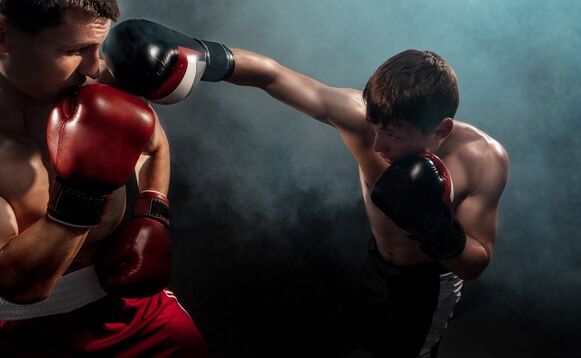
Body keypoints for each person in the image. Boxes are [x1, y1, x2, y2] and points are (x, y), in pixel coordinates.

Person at [103, 19, 510, 357]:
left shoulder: (483, 160)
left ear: (441, 130)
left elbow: (475, 264)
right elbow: (272, 75)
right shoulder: (362, 120)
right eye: (376, 127)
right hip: (376, 267)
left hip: (427, 286)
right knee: (362, 339)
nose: (377, 144)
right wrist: (199, 53)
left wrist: (436, 227)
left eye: (394, 135)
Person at [0, 0, 208, 357]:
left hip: (138, 314)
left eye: (97, 46)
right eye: (74, 50)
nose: (94, 67)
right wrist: (82, 196)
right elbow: (21, 285)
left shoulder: (92, 86)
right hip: (27, 335)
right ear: (3, 36)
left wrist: (153, 211)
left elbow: (153, 143)